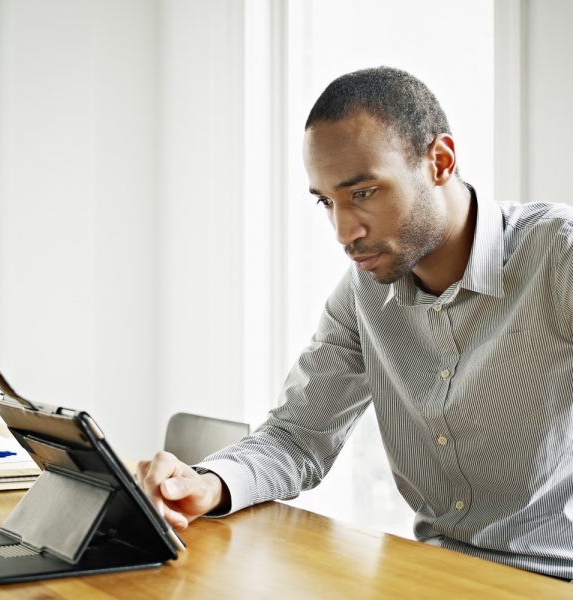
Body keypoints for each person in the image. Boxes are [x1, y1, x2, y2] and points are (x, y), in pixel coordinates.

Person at [137, 66, 573, 579]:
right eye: (327, 202)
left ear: (440, 161)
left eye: (363, 192)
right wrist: (209, 483)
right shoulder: (364, 291)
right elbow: (298, 437)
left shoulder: (558, 256)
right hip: (428, 575)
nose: (344, 231)